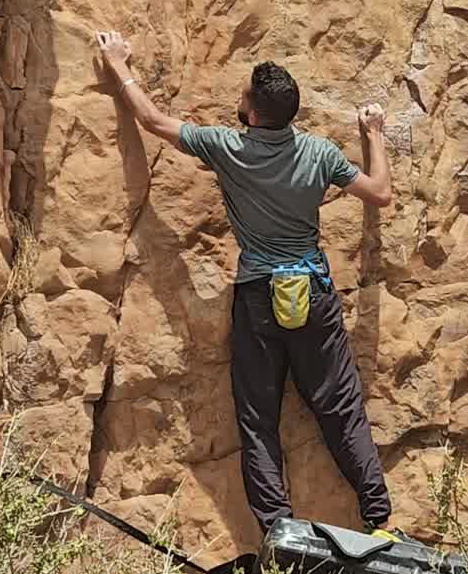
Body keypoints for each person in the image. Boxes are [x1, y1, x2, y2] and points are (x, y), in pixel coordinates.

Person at [94, 32, 394, 541]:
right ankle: (380, 520)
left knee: (259, 417)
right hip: (313, 295)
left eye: (243, 94)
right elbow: (380, 193)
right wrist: (373, 133)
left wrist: (118, 64)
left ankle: (279, 529)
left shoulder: (229, 147)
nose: (239, 98)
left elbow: (153, 121)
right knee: (340, 407)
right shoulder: (318, 153)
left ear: (252, 113)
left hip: (259, 299)